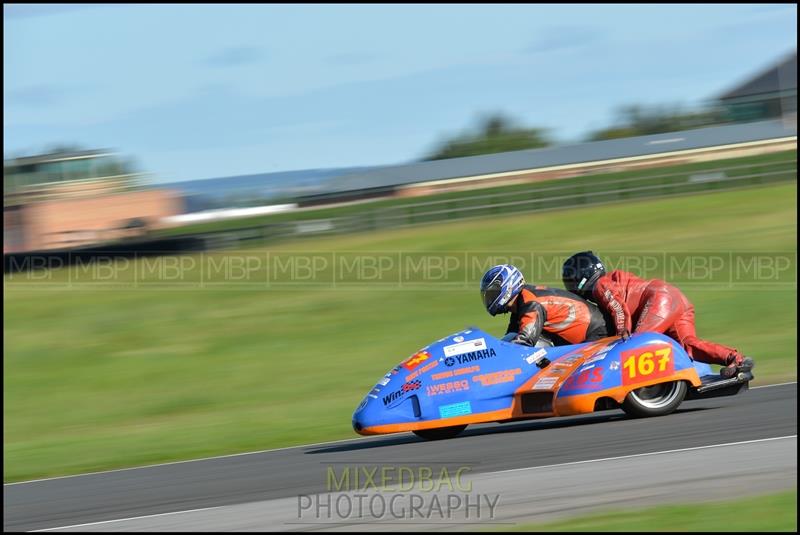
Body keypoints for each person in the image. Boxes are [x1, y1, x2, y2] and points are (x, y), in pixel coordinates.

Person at [561, 251, 753, 378]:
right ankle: (736, 359)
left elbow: (618, 308)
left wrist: (622, 333)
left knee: (637, 345)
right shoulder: (608, 279)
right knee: (688, 345)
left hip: (659, 299)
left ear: (581, 276)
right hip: (674, 298)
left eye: (570, 280)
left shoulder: (600, 285)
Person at [480, 264, 614, 348]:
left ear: (508, 286)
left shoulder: (530, 302)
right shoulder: (521, 303)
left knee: (538, 346)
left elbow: (524, 342)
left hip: (596, 334)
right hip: (587, 335)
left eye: (492, 291)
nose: (489, 298)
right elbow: (509, 339)